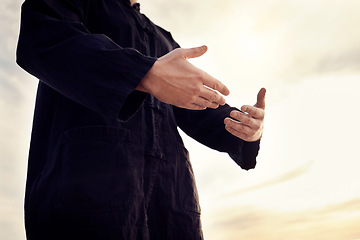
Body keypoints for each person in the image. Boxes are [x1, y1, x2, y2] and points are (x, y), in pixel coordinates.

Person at [16, 0, 266, 239]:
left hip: (173, 203)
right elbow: (41, 37)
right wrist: (143, 74)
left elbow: (200, 108)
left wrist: (246, 128)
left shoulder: (163, 39)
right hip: (85, 192)